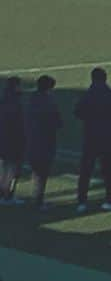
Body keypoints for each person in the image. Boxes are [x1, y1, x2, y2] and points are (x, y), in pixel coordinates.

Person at [74, 66, 111, 213]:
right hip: (107, 137)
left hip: (91, 137)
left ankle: (82, 201)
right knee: (107, 170)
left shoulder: (88, 95)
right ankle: (110, 200)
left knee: (85, 171)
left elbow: (78, 112)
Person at [25, 75, 62, 211]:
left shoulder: (32, 99)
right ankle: (38, 200)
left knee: (36, 170)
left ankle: (35, 197)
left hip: (32, 139)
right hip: (45, 141)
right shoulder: (49, 102)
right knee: (43, 172)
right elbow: (56, 121)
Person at [0, 77, 25, 205]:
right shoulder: (15, 102)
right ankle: (8, 195)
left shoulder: (4, 100)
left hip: (4, 139)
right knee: (12, 168)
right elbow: (18, 123)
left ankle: (4, 194)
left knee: (5, 167)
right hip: (13, 140)